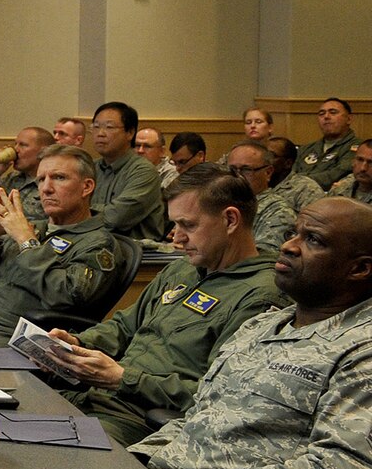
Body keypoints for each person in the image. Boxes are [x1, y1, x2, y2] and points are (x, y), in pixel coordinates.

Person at [130, 198, 372, 469]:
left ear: (360, 269)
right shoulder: (261, 325)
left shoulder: (361, 351)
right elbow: (198, 420)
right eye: (293, 232)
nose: (289, 245)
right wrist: (130, 464)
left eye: (314, 240)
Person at [46, 167, 288, 445]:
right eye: (175, 225)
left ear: (230, 219)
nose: (176, 237)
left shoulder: (261, 297)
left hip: (141, 421)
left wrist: (122, 379)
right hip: (91, 399)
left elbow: (220, 395)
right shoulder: (183, 269)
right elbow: (125, 326)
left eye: (188, 225)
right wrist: (75, 344)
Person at [0, 144, 130, 340]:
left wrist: (27, 241)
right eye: (41, 179)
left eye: (59, 178)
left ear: (87, 187)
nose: (46, 188)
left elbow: (66, 298)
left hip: (15, 339)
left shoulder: (98, 243)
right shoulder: (35, 228)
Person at [90, 101, 167, 241]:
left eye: (109, 127)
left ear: (130, 133)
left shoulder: (143, 171)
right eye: (95, 127)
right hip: (93, 245)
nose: (100, 133)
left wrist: (81, 213)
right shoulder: (90, 167)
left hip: (136, 254)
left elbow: (115, 218)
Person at [227, 141, 310, 255]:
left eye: (246, 169)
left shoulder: (278, 212)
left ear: (268, 172)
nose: (238, 176)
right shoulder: (219, 203)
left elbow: (265, 260)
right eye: (232, 170)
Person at [0, 126, 54, 235]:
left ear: (43, 151)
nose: (16, 150)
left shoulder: (51, 185)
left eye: (23, 145)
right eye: (15, 144)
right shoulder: (13, 179)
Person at [299, 98, 359, 187]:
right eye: (321, 114)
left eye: (333, 112)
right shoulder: (306, 149)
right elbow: (290, 173)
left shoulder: (359, 148)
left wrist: (298, 181)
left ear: (349, 119)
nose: (326, 117)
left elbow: (337, 174)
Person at [264, 136, 329, 214]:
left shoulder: (305, 188)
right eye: (263, 155)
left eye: (270, 156)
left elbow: (316, 223)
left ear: (288, 163)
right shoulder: (254, 184)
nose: (264, 160)